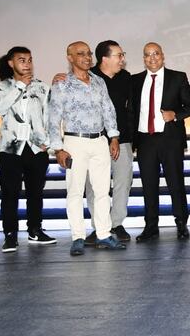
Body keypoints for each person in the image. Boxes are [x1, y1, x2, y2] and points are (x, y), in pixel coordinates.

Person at [48, 41, 125, 255]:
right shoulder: (62, 84)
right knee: (75, 191)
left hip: (100, 141)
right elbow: (53, 118)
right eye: (81, 54)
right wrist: (58, 149)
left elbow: (108, 110)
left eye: (89, 53)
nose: (87, 57)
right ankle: (78, 237)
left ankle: (104, 234)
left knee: (102, 191)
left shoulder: (99, 81)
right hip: (74, 143)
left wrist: (114, 137)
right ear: (70, 57)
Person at [130, 42, 190, 242]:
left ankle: (181, 224)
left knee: (176, 183)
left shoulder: (177, 77)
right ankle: (151, 226)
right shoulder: (135, 80)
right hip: (145, 140)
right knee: (148, 186)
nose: (152, 58)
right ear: (144, 59)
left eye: (156, 54)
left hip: (170, 140)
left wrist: (175, 114)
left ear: (163, 56)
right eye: (147, 55)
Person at [0, 47, 55, 253]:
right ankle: (10, 235)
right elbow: (0, 109)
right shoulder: (1, 88)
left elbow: (48, 118)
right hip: (11, 149)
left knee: (35, 193)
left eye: (29, 60)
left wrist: (47, 143)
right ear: (11, 63)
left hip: (36, 148)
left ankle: (35, 230)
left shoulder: (42, 88)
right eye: (21, 60)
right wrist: (20, 86)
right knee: (10, 193)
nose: (27, 64)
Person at [83, 41, 134, 244]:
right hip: (95, 141)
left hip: (123, 139)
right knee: (94, 186)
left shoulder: (126, 78)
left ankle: (116, 223)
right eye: (119, 55)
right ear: (104, 58)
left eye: (122, 55)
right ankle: (99, 227)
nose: (122, 59)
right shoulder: (88, 77)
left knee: (123, 182)